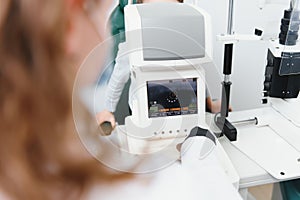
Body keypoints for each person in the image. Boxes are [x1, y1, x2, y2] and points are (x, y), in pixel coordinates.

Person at [97, 0, 223, 129]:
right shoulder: (133, 42)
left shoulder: (185, 37)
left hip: (183, 103)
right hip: (145, 108)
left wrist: (208, 102)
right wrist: (108, 110)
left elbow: (196, 69)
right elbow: (119, 75)